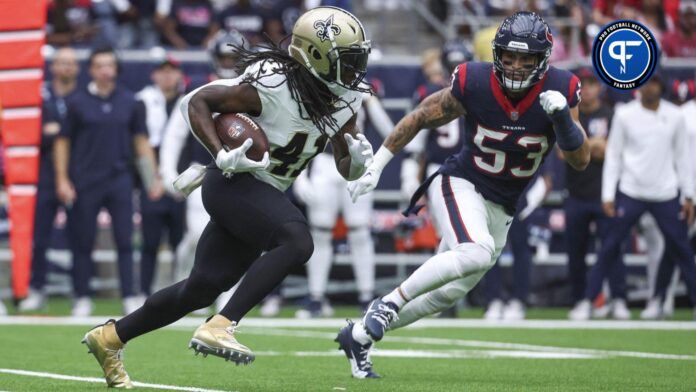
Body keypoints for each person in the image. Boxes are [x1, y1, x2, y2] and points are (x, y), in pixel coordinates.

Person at [82, 7, 373, 388]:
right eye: (347, 60)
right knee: (297, 240)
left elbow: (343, 162)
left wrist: (355, 164)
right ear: (315, 57)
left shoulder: (345, 97)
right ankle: (222, 324)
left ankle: (110, 337)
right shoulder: (272, 83)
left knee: (200, 288)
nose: (356, 68)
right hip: (233, 181)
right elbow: (195, 102)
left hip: (266, 194)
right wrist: (219, 150)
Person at [337, 11, 589, 379]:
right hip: (461, 183)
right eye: (509, 57)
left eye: (526, 59)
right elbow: (422, 115)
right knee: (475, 251)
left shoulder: (562, 88)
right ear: (497, 55)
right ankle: (386, 304)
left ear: (543, 61)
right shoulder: (476, 81)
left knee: (448, 293)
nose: (516, 67)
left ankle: (357, 336)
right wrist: (377, 165)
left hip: (503, 205)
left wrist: (563, 120)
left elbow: (580, 160)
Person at [574, 73, 696, 321]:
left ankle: (662, 300)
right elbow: (615, 155)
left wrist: (689, 195)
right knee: (609, 246)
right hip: (630, 190)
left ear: (661, 86)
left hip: (666, 191)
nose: (649, 87)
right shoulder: (625, 114)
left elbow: (683, 158)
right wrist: (608, 194)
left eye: (653, 82)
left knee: (681, 248)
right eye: (645, 83)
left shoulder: (675, 116)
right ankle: (588, 302)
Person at [54, 47, 161, 317]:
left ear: (116, 69)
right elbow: (63, 142)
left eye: (109, 65)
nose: (105, 70)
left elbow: (141, 143)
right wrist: (62, 179)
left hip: (120, 180)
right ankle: (81, 297)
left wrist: (153, 179)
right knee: (83, 241)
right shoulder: (76, 102)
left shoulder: (131, 101)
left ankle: (129, 295)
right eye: (99, 65)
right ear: (91, 70)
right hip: (85, 180)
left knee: (125, 241)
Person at [159, 29, 248, 314]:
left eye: (234, 57)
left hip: (241, 173)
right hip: (204, 170)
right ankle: (186, 280)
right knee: (198, 235)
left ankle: (225, 296)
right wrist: (168, 170)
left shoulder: (254, 89)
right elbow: (175, 132)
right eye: (224, 56)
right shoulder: (200, 87)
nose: (228, 62)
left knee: (237, 237)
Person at [293, 78, 393, 318]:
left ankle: (366, 296)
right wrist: (300, 174)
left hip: (357, 164)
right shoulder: (317, 85)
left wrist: (370, 99)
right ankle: (316, 297)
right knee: (320, 232)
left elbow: (389, 131)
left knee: (359, 233)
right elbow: (301, 132)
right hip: (323, 163)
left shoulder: (366, 89)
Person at [19, 47, 80, 312]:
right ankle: (36, 287)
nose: (66, 67)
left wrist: (54, 132)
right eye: (61, 63)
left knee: (81, 236)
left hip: (79, 172)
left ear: (77, 68)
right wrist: (49, 134)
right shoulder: (39, 94)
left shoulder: (84, 95)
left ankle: (81, 292)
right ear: (52, 67)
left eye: (70, 63)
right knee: (39, 236)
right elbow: (30, 133)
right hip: (42, 174)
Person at [565, 67, 627, 321]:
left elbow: (615, 150)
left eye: (591, 83)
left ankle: (619, 299)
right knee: (575, 253)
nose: (588, 89)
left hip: (605, 195)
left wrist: (583, 145)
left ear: (600, 87)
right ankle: (581, 300)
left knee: (613, 249)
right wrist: (595, 146)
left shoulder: (611, 115)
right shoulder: (569, 116)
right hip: (576, 193)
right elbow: (563, 151)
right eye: (584, 84)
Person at [135, 57, 187, 299]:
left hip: (182, 181)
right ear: (154, 75)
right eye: (162, 71)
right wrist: (150, 180)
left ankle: (182, 292)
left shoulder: (189, 101)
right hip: (153, 183)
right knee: (150, 242)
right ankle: (143, 292)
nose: (167, 76)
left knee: (182, 241)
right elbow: (138, 142)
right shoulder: (143, 102)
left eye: (172, 71)